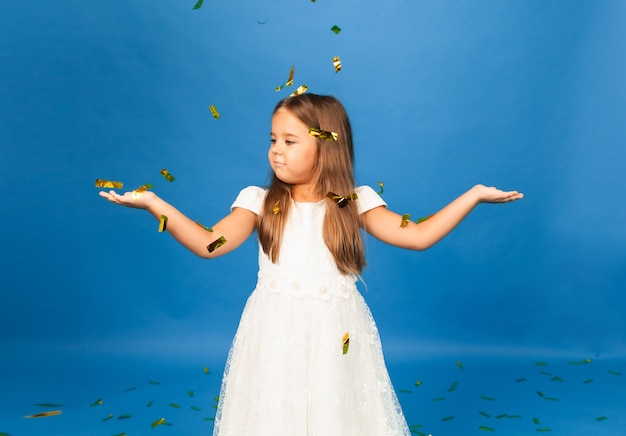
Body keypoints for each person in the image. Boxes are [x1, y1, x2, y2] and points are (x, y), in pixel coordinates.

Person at [100, 94, 523, 436]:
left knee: (333, 413)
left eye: (289, 141)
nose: (276, 152)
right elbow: (210, 243)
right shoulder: (260, 200)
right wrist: (155, 203)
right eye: (272, 140)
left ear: (325, 146)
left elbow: (417, 235)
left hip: (335, 331)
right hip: (274, 330)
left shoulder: (352, 202)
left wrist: (473, 195)